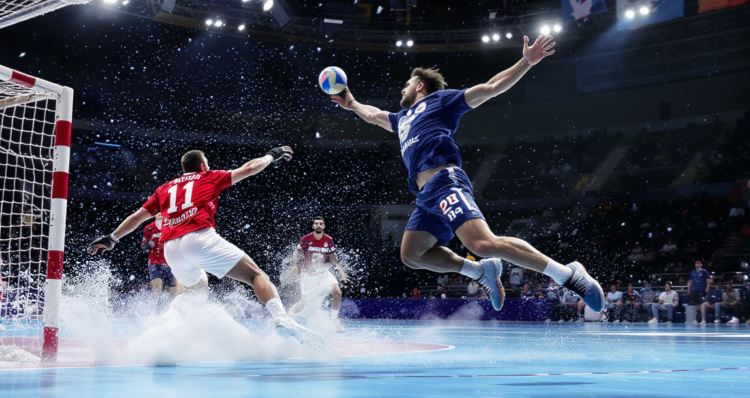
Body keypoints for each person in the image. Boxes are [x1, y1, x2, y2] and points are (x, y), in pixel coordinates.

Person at [330, 35, 604, 314]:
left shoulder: (440, 101)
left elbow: (491, 87)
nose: (403, 89)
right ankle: (480, 272)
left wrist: (526, 62)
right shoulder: (401, 119)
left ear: (420, 86)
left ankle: (569, 276)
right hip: (426, 196)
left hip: (445, 182)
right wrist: (351, 103)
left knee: (483, 243)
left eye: (407, 84)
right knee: (412, 255)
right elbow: (374, 115)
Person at [87, 148, 323, 349]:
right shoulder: (207, 177)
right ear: (202, 166)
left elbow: (137, 218)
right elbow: (251, 168)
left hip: (170, 249)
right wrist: (273, 155)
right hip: (198, 239)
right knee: (256, 275)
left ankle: (170, 332)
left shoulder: (165, 188)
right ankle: (282, 319)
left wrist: (113, 237)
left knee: (197, 290)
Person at [288, 216, 349, 332]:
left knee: (337, 292)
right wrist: (294, 265)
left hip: (323, 273)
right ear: (313, 226)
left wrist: (340, 270)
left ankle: (335, 321)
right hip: (308, 274)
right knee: (305, 301)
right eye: (316, 223)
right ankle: (289, 315)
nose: (318, 225)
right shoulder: (306, 239)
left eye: (320, 224)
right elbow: (297, 252)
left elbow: (332, 256)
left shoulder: (328, 240)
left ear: (324, 226)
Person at [142, 213, 185, 304]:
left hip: (170, 262)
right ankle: (150, 312)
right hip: (154, 263)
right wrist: (148, 245)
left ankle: (170, 311)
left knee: (175, 289)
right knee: (157, 288)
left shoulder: (172, 226)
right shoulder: (149, 228)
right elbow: (143, 245)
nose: (160, 214)